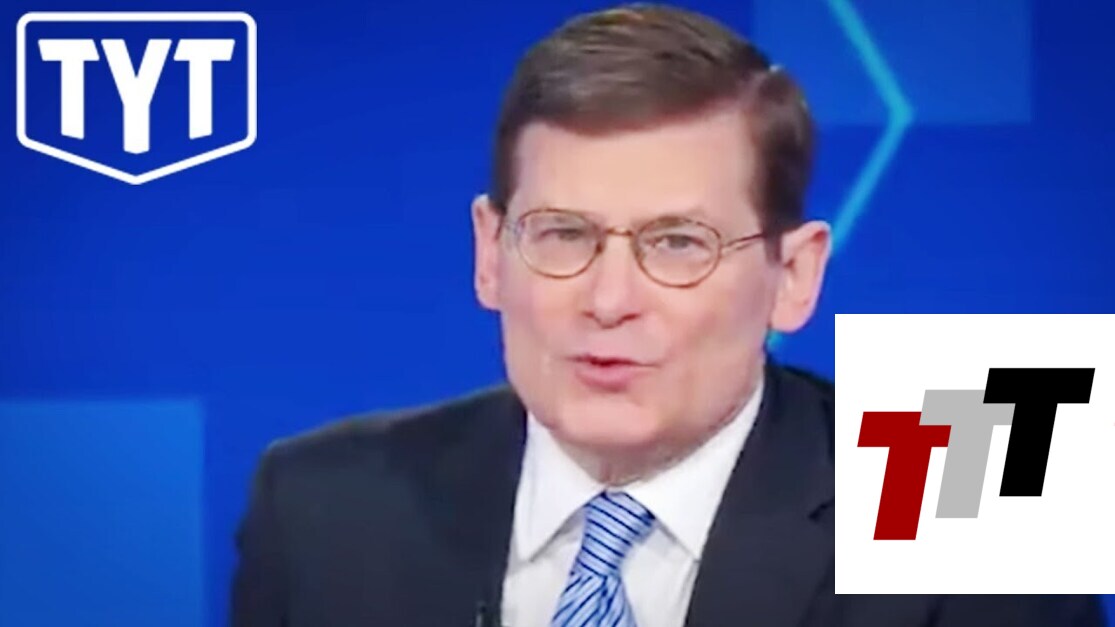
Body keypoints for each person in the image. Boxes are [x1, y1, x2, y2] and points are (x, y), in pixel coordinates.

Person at [230, 4, 1106, 626]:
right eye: (563, 234)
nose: (608, 300)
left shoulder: (977, 482)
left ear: (793, 274)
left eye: (679, 243)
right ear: (489, 253)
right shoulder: (322, 504)